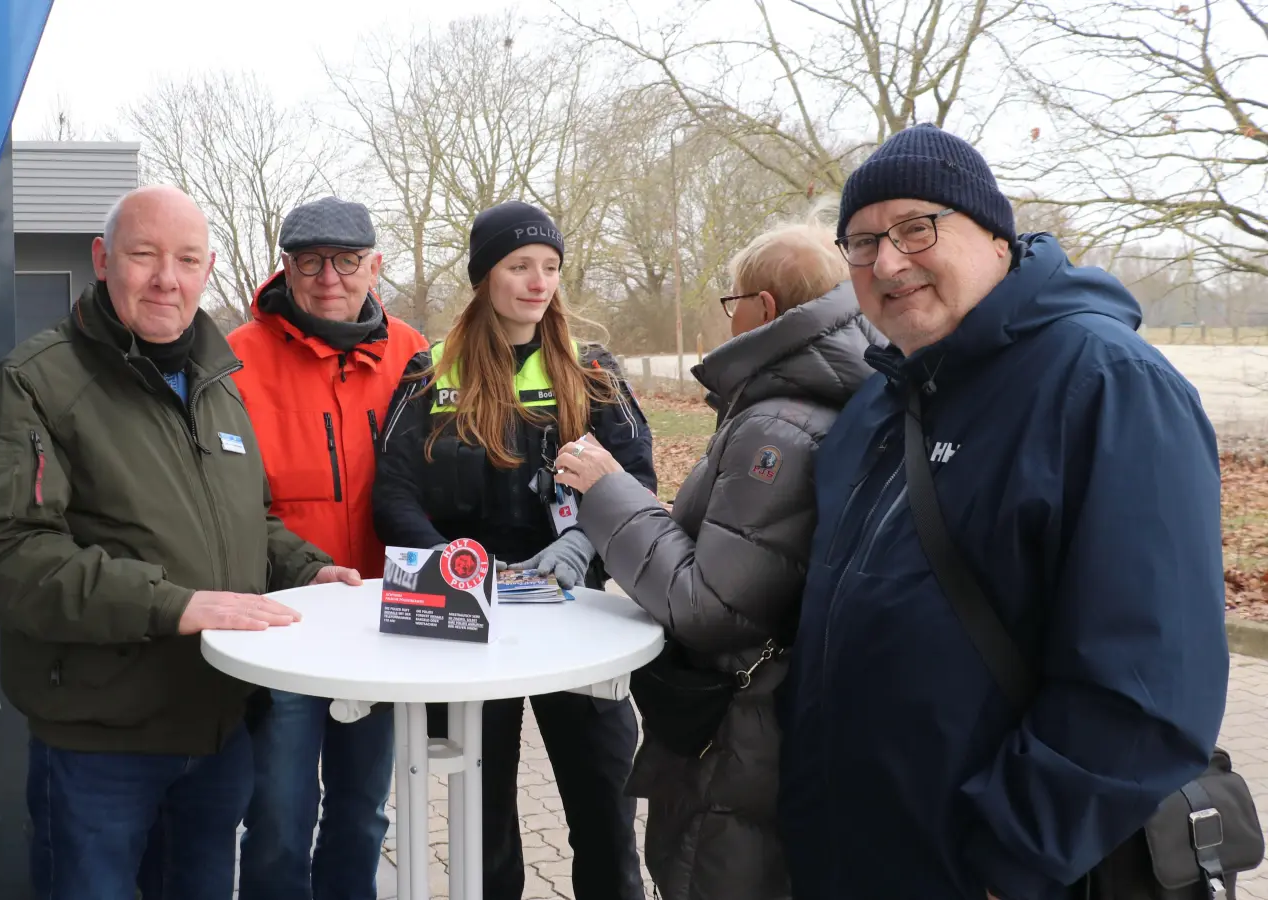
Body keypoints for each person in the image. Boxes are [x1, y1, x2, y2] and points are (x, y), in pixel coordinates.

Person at [775, 124, 1229, 899]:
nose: (887, 262)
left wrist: (1011, 861)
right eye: (861, 243)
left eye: (917, 228)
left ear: (993, 235)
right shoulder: (874, 408)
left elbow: (1146, 686)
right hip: (851, 859)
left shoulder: (1105, 386)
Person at [0, 185, 363, 900]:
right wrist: (176, 606)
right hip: (100, 743)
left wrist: (308, 569)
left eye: (186, 259)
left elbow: (246, 520)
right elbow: (6, 560)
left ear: (208, 270)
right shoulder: (35, 383)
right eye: (143, 256)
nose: (165, 279)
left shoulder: (218, 385)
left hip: (215, 730)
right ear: (102, 260)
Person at [552, 211, 879, 899]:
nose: (727, 318)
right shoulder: (819, 399)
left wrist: (609, 492)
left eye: (732, 303)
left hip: (739, 737)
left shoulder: (777, 426)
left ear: (762, 309)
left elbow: (713, 606)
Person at [374, 200, 655, 900]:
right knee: (482, 825)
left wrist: (583, 545)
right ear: (483, 276)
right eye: (519, 265)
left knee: (607, 811)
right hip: (472, 621)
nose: (538, 281)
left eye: (551, 267)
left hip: (576, 614)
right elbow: (394, 495)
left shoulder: (592, 373)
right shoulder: (429, 373)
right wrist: (453, 571)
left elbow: (636, 480)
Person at [228, 195, 428, 900]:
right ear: (285, 267)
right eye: (310, 261)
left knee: (363, 810)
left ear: (376, 266)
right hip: (284, 620)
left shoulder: (413, 354)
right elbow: (227, 503)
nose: (329, 277)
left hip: (383, 618)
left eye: (347, 260)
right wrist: (300, 569)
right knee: (280, 815)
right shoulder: (236, 360)